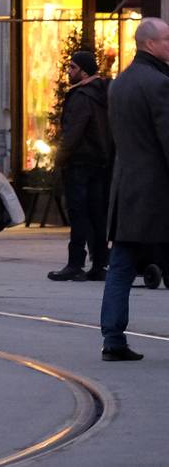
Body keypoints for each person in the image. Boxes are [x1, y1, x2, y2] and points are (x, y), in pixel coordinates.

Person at [99, 18, 169, 361]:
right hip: (157, 193)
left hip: (125, 188)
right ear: (150, 44)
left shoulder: (120, 83)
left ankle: (112, 338)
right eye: (168, 39)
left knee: (122, 264)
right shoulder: (159, 83)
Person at [48, 49, 113, 282]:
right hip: (100, 161)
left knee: (79, 213)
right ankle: (99, 263)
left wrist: (59, 159)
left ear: (84, 71)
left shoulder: (82, 96)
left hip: (80, 162)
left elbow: (73, 132)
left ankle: (75, 263)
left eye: (73, 67)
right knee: (97, 213)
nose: (69, 71)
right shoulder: (104, 91)